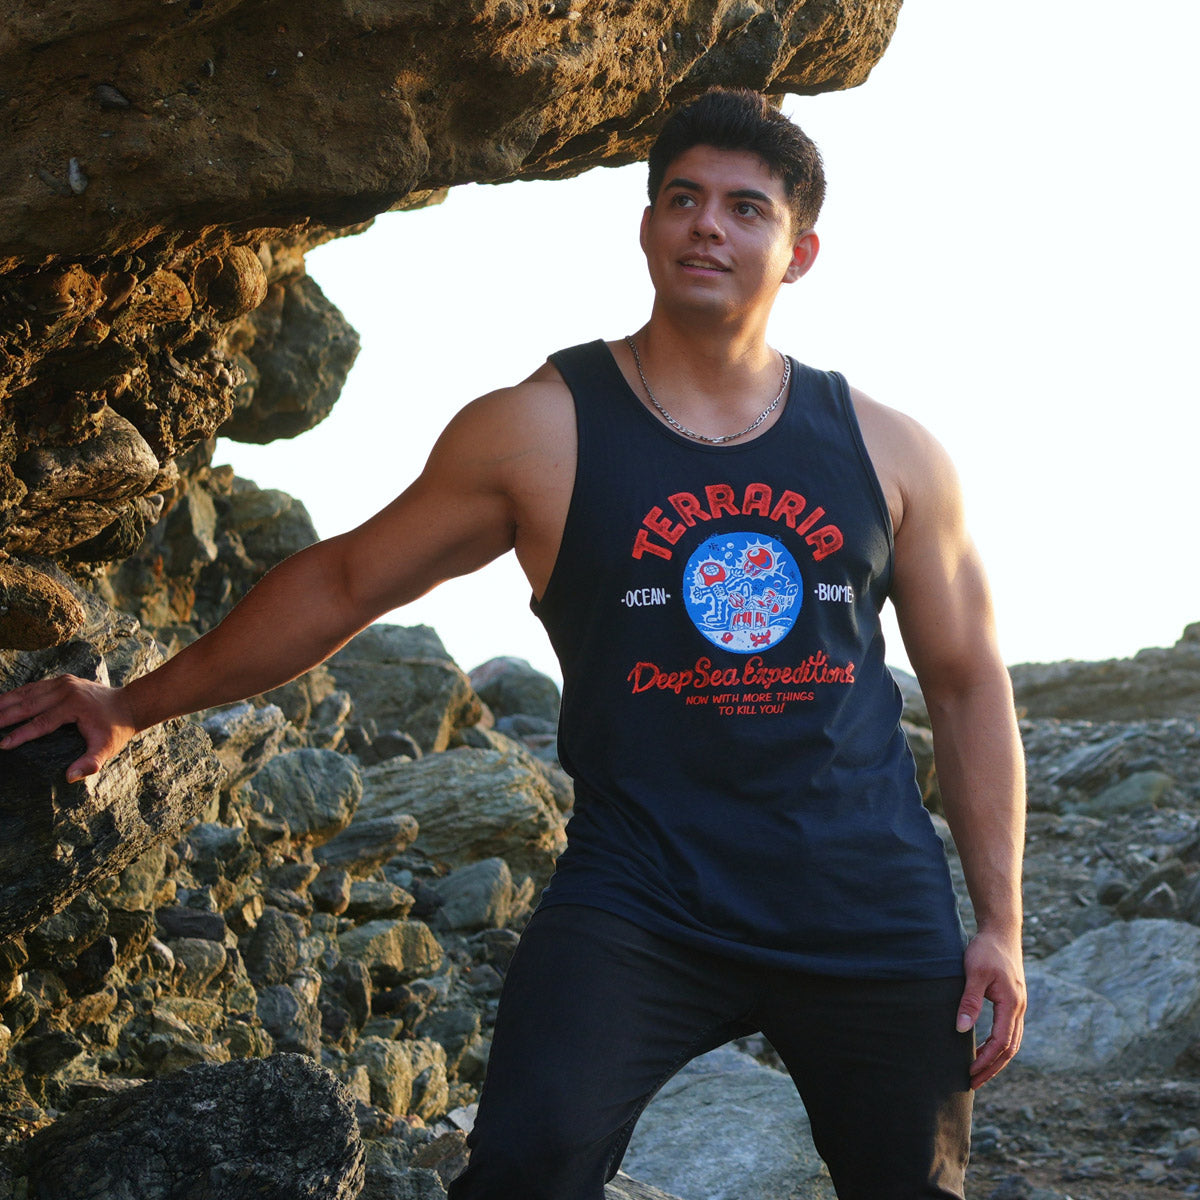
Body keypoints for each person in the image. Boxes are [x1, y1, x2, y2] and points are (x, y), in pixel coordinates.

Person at [0, 89, 1025, 1199]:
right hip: (643, 898)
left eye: (746, 208)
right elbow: (344, 581)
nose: (707, 226)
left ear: (800, 252)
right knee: (524, 1169)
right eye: (683, 199)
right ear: (647, 227)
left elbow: (967, 682)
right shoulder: (539, 430)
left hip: (862, 902)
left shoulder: (889, 452)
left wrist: (1001, 925)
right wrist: (130, 706)